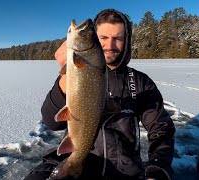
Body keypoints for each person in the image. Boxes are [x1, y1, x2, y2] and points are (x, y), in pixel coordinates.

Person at [24, 8, 175, 180]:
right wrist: (67, 77)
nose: (110, 46)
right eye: (103, 38)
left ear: (127, 41)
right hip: (75, 157)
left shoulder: (140, 82)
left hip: (123, 170)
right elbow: (52, 122)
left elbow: (162, 130)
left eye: (117, 38)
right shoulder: (71, 76)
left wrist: (158, 168)